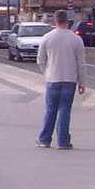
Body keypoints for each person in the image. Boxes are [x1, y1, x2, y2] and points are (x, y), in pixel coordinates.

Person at [36, 9, 86, 149]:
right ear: (68, 22)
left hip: (53, 79)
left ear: (55, 21)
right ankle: (63, 142)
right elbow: (81, 64)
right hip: (70, 80)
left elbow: (40, 60)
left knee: (50, 109)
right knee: (65, 110)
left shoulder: (47, 37)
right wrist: (81, 82)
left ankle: (44, 140)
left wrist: (46, 72)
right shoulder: (76, 39)